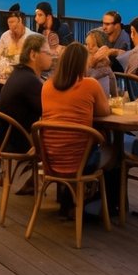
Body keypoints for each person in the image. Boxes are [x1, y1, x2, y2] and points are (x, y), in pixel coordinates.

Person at [40, 41, 111, 218]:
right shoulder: (90, 84)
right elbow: (105, 112)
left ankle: (69, 200)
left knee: (73, 142)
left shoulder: (47, 85)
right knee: (113, 152)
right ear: (82, 63)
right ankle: (99, 205)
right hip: (79, 161)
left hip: (51, 158)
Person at [0, 33, 52, 155]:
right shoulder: (30, 81)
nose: (51, 56)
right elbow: (49, 112)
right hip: (21, 142)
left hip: (8, 137)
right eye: (47, 53)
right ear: (33, 55)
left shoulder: (19, 73)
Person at [84, 29, 115, 94]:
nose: (88, 48)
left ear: (102, 49)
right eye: (87, 44)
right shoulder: (84, 65)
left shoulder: (104, 70)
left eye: (93, 45)